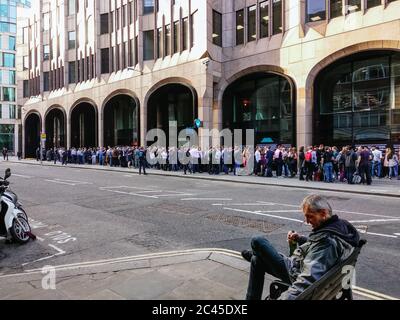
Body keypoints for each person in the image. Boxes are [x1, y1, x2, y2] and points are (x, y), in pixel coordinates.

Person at [241, 194, 360, 300]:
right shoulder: (339, 228)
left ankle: (257, 253)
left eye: (310, 216)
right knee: (256, 260)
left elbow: (306, 281)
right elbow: (320, 251)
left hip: (295, 271)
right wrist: (299, 239)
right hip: (303, 266)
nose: (307, 221)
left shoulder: (327, 242)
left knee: (257, 241)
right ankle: (258, 255)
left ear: (323, 213)